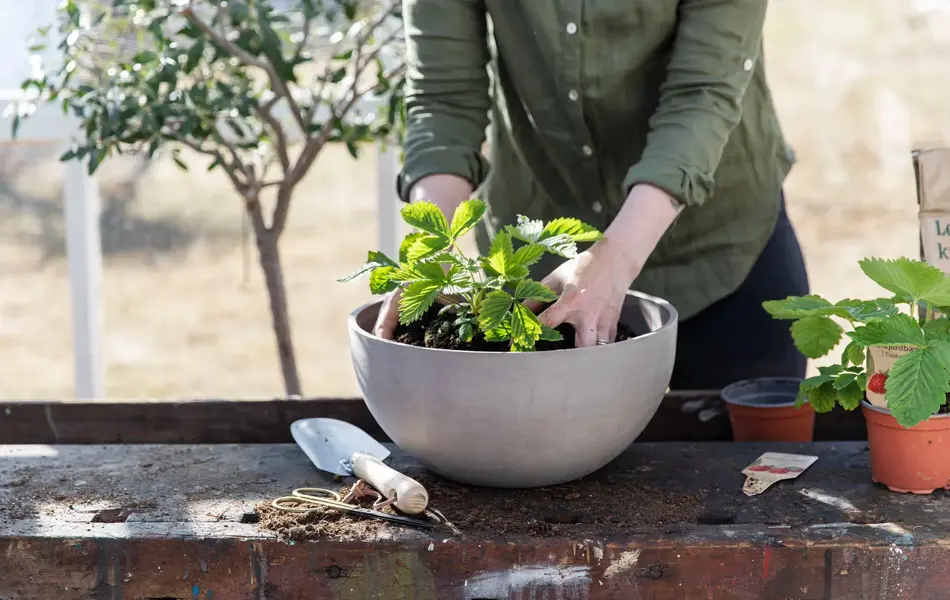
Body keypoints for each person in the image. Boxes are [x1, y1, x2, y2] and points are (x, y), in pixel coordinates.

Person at [373, 0, 809, 389]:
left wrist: (614, 258)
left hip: (717, 251)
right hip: (539, 271)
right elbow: (444, 99)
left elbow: (703, 94)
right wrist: (434, 252)